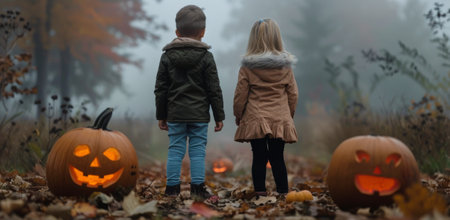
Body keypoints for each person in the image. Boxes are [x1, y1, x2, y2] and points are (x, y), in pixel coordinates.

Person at [154, 5, 225, 199]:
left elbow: (161, 89)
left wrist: (161, 115)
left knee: (175, 150)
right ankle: (197, 189)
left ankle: (172, 189)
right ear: (202, 32)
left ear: (177, 32)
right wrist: (219, 115)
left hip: (175, 114)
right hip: (199, 115)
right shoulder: (206, 57)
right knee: (197, 152)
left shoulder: (167, 57)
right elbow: (214, 89)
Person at [233, 18, 298, 196]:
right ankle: (283, 192)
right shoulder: (286, 66)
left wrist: (238, 114)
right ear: (277, 38)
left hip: (256, 118)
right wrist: (288, 115)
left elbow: (241, 94)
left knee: (259, 157)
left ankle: (260, 193)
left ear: (253, 40)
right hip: (279, 118)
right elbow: (293, 93)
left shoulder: (247, 67)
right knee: (278, 157)